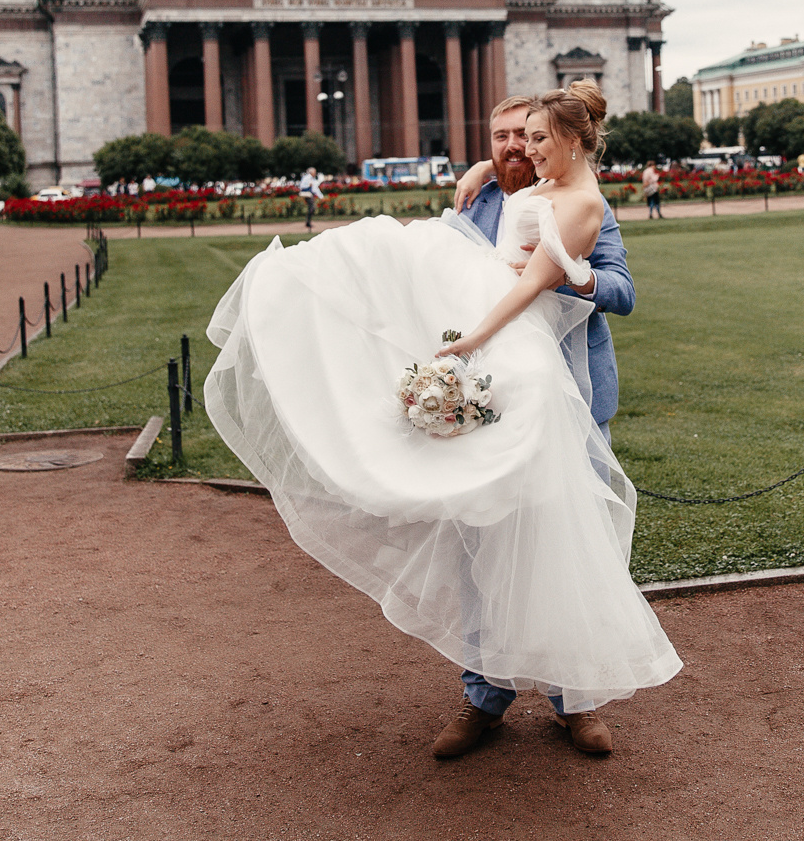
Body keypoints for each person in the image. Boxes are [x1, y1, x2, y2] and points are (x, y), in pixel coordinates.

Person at [203, 83, 676, 765]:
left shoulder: (580, 202)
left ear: (555, 135)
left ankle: (579, 699)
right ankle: (483, 694)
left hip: (569, 395)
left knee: (576, 544)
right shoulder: (475, 200)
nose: (518, 146)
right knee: (478, 549)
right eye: (504, 138)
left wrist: (574, 281)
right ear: (488, 145)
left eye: (529, 133)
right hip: (487, 397)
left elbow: (622, 289)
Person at [298, 166, 323, 230]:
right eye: (314, 172)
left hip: (310, 195)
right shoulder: (306, 178)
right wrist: (308, 185)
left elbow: (315, 189)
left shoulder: (312, 179)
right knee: (312, 208)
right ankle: (308, 222)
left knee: (311, 208)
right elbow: (301, 186)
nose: (315, 173)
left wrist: (321, 196)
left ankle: (308, 222)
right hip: (308, 195)